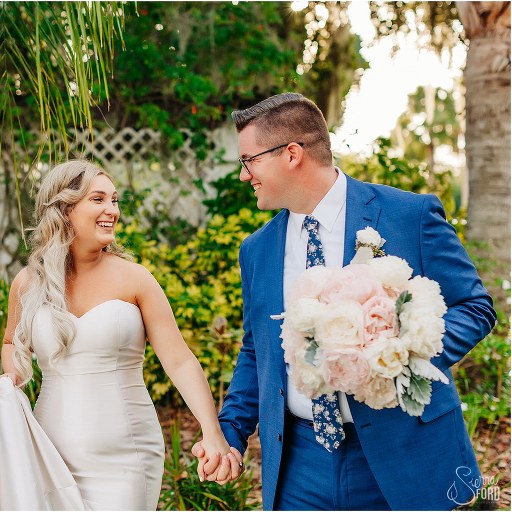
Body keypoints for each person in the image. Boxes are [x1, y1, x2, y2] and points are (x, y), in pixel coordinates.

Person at [192, 92, 496, 510]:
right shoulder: (257, 249)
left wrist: (401, 353)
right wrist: (231, 432)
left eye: (250, 160)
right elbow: (256, 348)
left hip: (406, 450)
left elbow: (475, 307)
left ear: (292, 154)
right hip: (300, 464)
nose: (245, 175)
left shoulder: (410, 216)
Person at [0, 159, 239, 510]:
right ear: (65, 209)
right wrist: (12, 375)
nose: (111, 210)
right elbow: (11, 342)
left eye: (114, 201)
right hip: (48, 450)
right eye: (98, 199)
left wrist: (212, 431)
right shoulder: (27, 283)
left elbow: (179, 361)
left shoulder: (135, 278)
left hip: (126, 456)